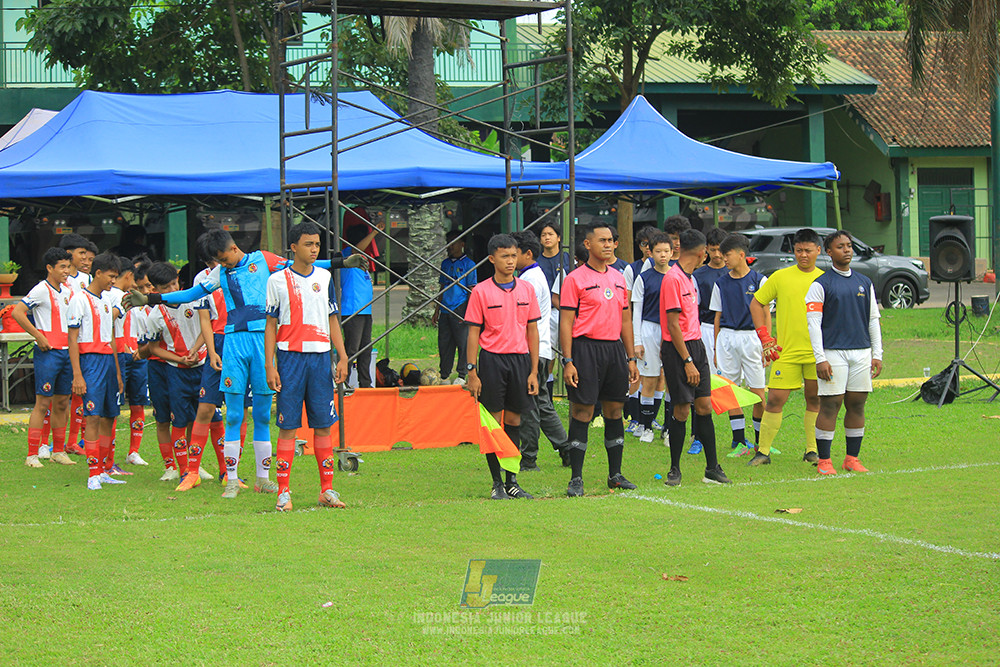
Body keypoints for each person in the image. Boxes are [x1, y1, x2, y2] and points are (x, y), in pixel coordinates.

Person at [123, 229, 364, 499]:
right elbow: (189, 294)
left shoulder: (263, 260)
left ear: (233, 248)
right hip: (234, 344)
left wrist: (340, 263)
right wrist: (150, 299)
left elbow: (301, 264)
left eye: (224, 259)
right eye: (219, 262)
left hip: (263, 342)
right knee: (234, 414)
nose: (223, 265)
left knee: (262, 413)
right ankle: (232, 479)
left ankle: (263, 479)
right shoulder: (218, 274)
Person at [266, 221, 350, 511]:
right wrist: (270, 365)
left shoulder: (325, 277)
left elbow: (332, 319)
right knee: (288, 427)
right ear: (293, 248)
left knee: (324, 426)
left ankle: (326, 490)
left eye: (317, 244)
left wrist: (342, 356)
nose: (314, 249)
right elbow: (270, 325)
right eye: (308, 244)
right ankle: (283, 492)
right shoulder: (277, 281)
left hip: (320, 359)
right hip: (289, 359)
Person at [559, 223, 640, 497]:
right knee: (582, 411)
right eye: (602, 240)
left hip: (614, 351)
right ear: (588, 244)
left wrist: (631, 358)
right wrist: (568, 360)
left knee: (615, 411)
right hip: (585, 350)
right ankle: (576, 478)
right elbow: (566, 321)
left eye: (611, 240)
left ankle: (615, 475)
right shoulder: (575, 279)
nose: (608, 244)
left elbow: (626, 319)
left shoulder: (619, 278)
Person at [465, 233, 540, 500]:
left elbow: (532, 331)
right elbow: (473, 333)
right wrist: (471, 371)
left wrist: (533, 370)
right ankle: (496, 483)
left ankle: (512, 481)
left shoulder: (526, 290)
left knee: (514, 420)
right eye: (505, 256)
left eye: (513, 255)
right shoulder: (481, 291)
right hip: (492, 360)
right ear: (492, 259)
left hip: (520, 361)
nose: (510, 261)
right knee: (493, 422)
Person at [806, 230, 883, 475]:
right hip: (833, 353)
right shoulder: (820, 285)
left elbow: (873, 319)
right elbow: (813, 324)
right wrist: (821, 358)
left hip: (861, 352)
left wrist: (877, 353)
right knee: (831, 404)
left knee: (857, 404)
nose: (847, 250)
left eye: (849, 245)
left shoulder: (864, 282)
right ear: (829, 252)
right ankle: (825, 461)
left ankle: (852, 459)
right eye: (840, 246)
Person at [747, 227, 825, 467]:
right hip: (786, 352)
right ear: (793, 251)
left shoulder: (825, 279)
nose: (803, 255)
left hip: (817, 354)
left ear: (818, 251)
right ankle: (763, 452)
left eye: (808, 251)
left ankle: (812, 450)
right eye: (799, 251)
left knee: (815, 400)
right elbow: (756, 303)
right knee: (774, 400)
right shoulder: (780, 277)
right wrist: (765, 337)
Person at [660, 229, 731, 486]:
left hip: (696, 345)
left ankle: (712, 468)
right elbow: (673, 324)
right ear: (702, 252)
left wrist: (696, 354)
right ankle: (675, 470)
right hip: (679, 350)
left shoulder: (690, 279)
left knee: (704, 406)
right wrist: (687, 360)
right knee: (681, 408)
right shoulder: (673, 279)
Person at [175, 242, 247, 493]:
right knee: (205, 408)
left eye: (219, 260)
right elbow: (205, 318)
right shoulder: (204, 280)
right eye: (210, 262)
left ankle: (231, 472)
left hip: (243, 340)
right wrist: (211, 351)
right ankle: (192, 471)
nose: (215, 266)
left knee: (241, 410)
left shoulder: (248, 270)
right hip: (217, 341)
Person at [138, 262, 206, 483]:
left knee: (196, 418)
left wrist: (195, 352)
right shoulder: (155, 314)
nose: (172, 290)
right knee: (166, 418)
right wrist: (180, 359)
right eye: (165, 288)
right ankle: (171, 465)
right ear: (155, 290)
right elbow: (152, 348)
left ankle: (194, 464)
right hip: (169, 367)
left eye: (174, 284)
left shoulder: (194, 301)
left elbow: (207, 329)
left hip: (199, 364)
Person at [67, 253, 125, 490]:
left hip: (108, 362)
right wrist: (77, 374)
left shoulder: (105, 302)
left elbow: (109, 338)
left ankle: (103, 469)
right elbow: (72, 339)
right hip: (89, 362)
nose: (113, 281)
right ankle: (92, 473)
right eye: (111, 276)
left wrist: (118, 373)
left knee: (110, 416)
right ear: (98, 273)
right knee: (92, 416)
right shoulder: (78, 299)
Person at [14, 247, 76, 468]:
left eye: (68, 267)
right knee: (42, 403)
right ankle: (32, 454)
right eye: (62, 267)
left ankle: (58, 451)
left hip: (67, 352)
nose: (66, 271)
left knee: (62, 403)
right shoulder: (40, 290)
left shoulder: (69, 291)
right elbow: (17, 312)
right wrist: (38, 335)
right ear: (49, 268)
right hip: (48, 352)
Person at [512, 230, 568, 471]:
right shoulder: (531, 275)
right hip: (540, 348)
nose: (511, 259)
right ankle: (565, 447)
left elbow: (525, 319)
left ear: (527, 254)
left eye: (514, 254)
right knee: (542, 402)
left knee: (529, 404)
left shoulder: (531, 279)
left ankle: (529, 456)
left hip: (533, 349)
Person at [710, 233, 769, 457]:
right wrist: (716, 348)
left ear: (741, 254)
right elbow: (717, 316)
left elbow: (766, 313)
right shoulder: (721, 283)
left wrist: (767, 343)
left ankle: (759, 443)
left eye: (727, 254)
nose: (722, 258)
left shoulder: (759, 281)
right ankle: (738, 442)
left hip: (752, 338)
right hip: (727, 338)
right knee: (729, 391)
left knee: (757, 392)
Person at [631, 232, 673, 443]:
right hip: (649, 330)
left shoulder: (677, 277)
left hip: (672, 332)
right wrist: (637, 340)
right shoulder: (644, 278)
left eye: (666, 251)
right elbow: (636, 311)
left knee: (669, 380)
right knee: (649, 379)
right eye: (658, 251)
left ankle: (668, 428)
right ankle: (646, 426)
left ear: (673, 252)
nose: (662, 255)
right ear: (650, 253)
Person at [59, 233, 98, 452]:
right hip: (59, 342)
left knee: (79, 393)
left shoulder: (87, 281)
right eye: (82, 254)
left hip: (80, 341)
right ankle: (47, 444)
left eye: (88, 256)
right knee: (57, 396)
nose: (85, 259)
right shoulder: (58, 279)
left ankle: (76, 440)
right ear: (69, 254)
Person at [105, 260, 144, 475]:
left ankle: (134, 451)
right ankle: (108, 460)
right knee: (114, 407)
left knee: (138, 402)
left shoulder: (133, 296)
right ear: (129, 275)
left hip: (136, 351)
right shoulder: (111, 296)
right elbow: (109, 322)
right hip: (118, 352)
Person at [623, 225, 657, 435]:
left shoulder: (665, 269)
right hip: (638, 324)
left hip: (655, 326)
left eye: (651, 245)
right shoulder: (632, 269)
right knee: (637, 375)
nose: (648, 249)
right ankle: (635, 418)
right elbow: (627, 302)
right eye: (644, 244)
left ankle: (649, 420)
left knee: (657, 376)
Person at [341, 219, 382, 388]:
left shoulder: (363, 261)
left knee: (365, 348)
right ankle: (343, 382)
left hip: (365, 311)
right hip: (353, 311)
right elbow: (357, 248)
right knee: (352, 349)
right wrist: (374, 233)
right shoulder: (348, 255)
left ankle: (365, 383)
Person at [433, 229, 476, 383]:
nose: (450, 246)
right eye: (449, 243)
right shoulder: (445, 264)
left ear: (462, 244)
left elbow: (472, 289)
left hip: (461, 306)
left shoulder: (469, 264)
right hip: (445, 307)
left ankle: (462, 374)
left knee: (462, 342)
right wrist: (436, 310)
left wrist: (470, 311)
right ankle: (444, 374)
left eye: (454, 242)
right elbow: (442, 287)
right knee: (444, 343)